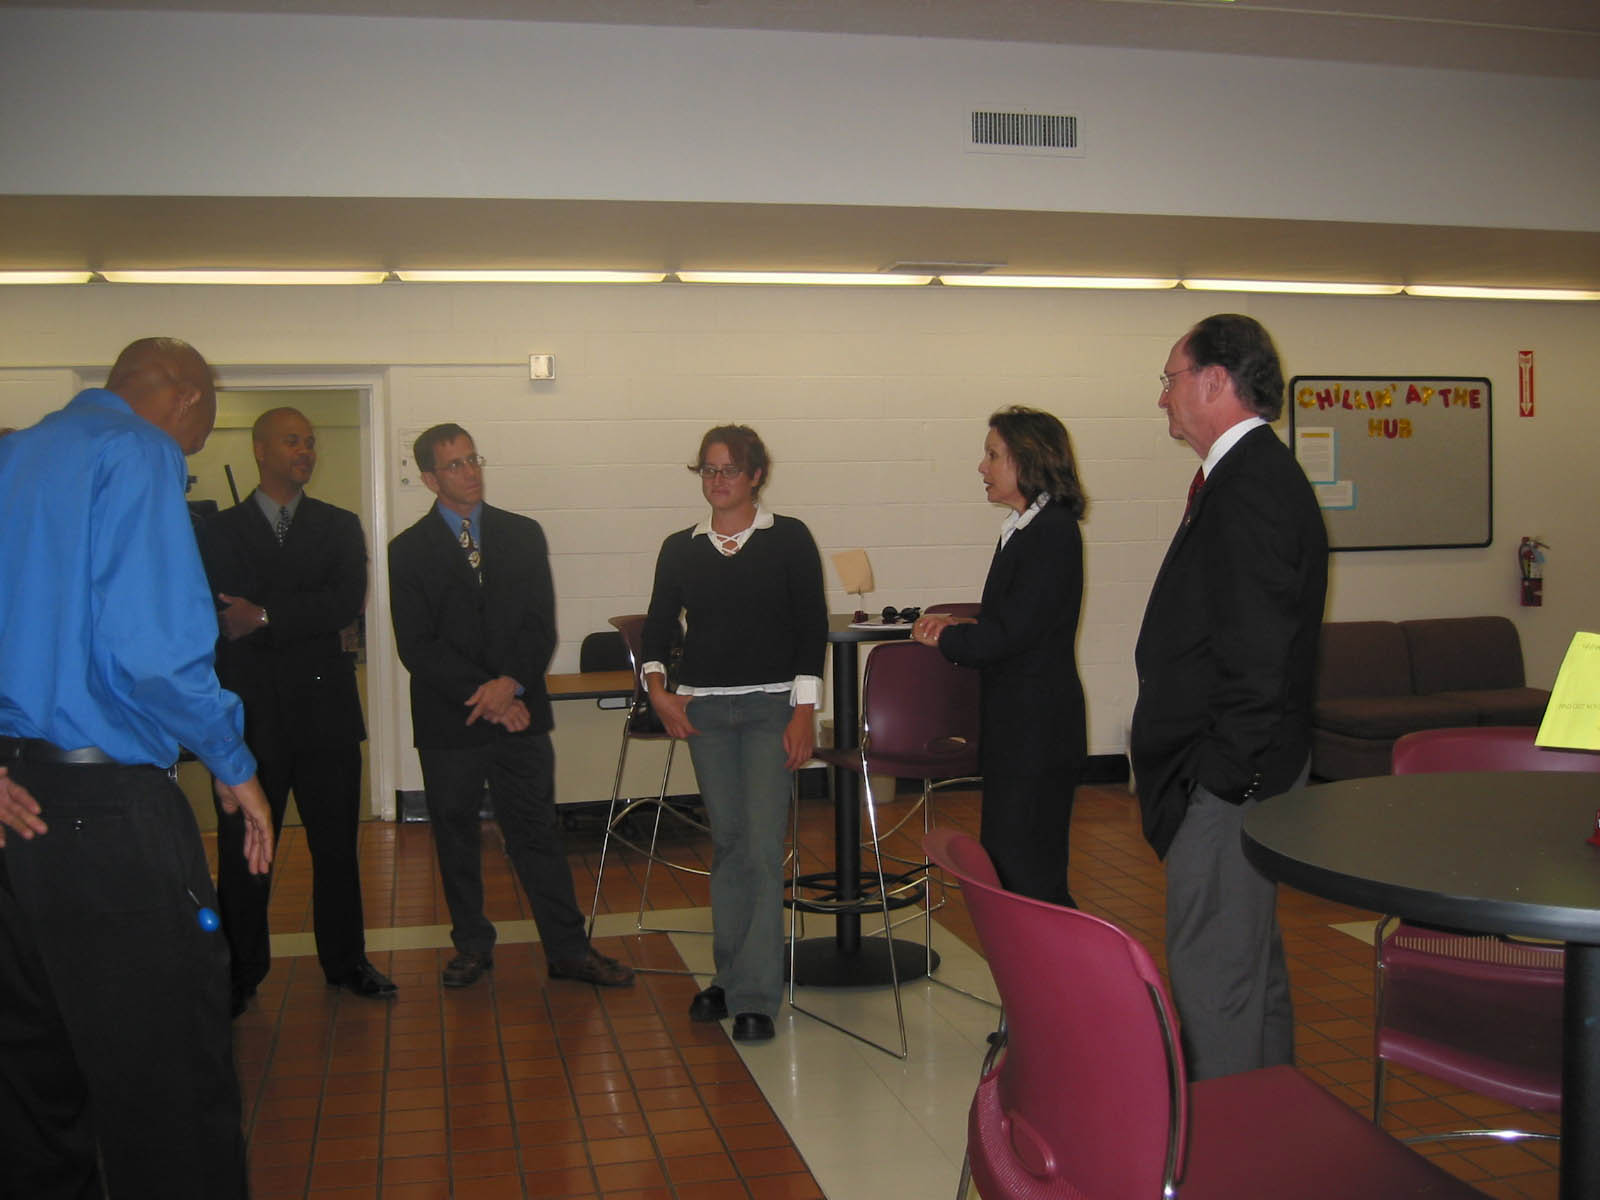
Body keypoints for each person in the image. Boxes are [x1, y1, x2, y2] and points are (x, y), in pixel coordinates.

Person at [0, 337, 274, 1199]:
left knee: (34, 1091)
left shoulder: (14, 455)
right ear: (187, 398)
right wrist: (233, 762)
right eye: (205, 426)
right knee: (171, 1089)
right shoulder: (139, 451)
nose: (195, 446)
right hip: (108, 817)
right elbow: (154, 653)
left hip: (14, 811)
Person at [1130, 314, 1328, 1080]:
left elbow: (1259, 656)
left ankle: (1233, 1137)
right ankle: (1271, 1123)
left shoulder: (1250, 487)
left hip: (1230, 781)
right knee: (1246, 968)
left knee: (1215, 977)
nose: (1163, 398)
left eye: (1170, 379)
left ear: (1214, 381)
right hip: (1235, 774)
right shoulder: (1244, 477)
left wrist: (1223, 781)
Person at [388, 424, 633, 990]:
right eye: (454, 464)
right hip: (451, 718)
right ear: (429, 479)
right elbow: (417, 646)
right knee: (456, 836)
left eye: (473, 458)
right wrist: (490, 696)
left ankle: (568, 950)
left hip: (520, 711)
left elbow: (539, 625)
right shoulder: (408, 550)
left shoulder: (521, 534)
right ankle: (471, 947)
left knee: (536, 832)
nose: (470, 471)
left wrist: (511, 686)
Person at [199, 406, 394, 1013]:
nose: (305, 451)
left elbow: (344, 602)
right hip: (248, 716)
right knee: (245, 850)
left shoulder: (338, 525)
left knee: (336, 848)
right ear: (260, 449)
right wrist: (286, 612)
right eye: (292, 442)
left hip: (324, 713)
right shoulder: (216, 531)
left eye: (310, 442)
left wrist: (264, 613)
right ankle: (239, 970)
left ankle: (346, 960)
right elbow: (218, 614)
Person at [642, 425, 828, 1042]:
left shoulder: (788, 538)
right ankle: (728, 977)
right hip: (707, 714)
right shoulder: (681, 547)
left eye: (729, 469)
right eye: (708, 469)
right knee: (728, 844)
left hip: (772, 710)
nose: (717, 480)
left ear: (755, 475)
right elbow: (659, 627)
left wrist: (804, 711)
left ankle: (754, 994)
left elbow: (810, 628)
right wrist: (658, 692)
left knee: (761, 848)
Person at [912, 406, 1088, 906]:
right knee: (1014, 864)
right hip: (1021, 726)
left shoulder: (1050, 531)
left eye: (992, 455)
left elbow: (1011, 636)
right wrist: (963, 625)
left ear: (1028, 459)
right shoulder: (1026, 527)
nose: (982, 467)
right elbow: (1018, 621)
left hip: (1037, 730)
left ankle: (1053, 957)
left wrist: (945, 641)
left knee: (1028, 874)